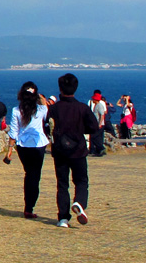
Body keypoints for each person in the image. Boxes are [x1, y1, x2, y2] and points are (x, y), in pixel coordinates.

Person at [47, 73, 99, 228]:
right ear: (75, 88)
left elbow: (46, 126)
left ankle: (63, 218)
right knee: (81, 181)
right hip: (78, 150)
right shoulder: (82, 108)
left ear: (60, 89)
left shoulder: (54, 109)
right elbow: (94, 127)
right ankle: (79, 203)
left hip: (60, 150)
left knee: (62, 184)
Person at [7, 81, 50, 219]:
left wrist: (9, 150)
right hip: (38, 144)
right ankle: (29, 206)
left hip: (23, 145)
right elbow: (46, 106)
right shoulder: (41, 110)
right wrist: (39, 97)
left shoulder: (16, 110)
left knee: (29, 173)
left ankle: (28, 206)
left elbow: (13, 132)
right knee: (35, 175)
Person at [87, 90, 107, 157]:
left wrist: (100, 124)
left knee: (94, 137)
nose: (92, 100)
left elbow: (102, 115)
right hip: (97, 124)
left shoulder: (99, 105)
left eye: (93, 99)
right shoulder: (97, 105)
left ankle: (101, 148)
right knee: (96, 137)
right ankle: (100, 150)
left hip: (99, 124)